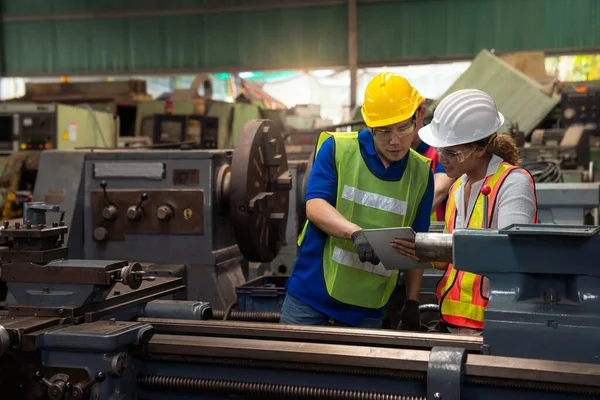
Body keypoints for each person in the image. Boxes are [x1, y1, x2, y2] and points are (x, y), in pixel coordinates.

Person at [279, 72, 434, 329]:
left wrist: (412, 302)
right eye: (383, 131)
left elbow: (415, 245)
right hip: (311, 293)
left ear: (419, 116)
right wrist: (355, 233)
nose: (395, 140)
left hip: (368, 305)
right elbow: (315, 206)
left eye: (403, 127)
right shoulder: (338, 149)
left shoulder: (422, 174)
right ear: (368, 124)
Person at [391, 88, 538, 335]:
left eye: (452, 152)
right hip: (452, 319)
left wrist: (436, 248)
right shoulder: (458, 185)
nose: (443, 158)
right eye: (440, 150)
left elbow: (514, 255)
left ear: (480, 149)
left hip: (494, 323)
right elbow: (454, 260)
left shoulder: (513, 183)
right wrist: (422, 254)